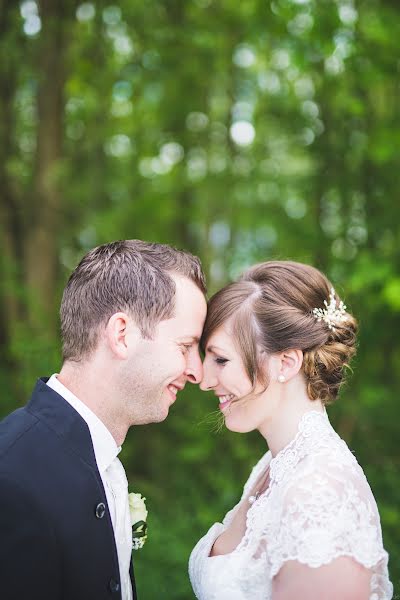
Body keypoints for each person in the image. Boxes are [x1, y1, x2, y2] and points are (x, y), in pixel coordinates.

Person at [0, 239, 207, 600]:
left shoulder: (103, 460)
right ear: (121, 335)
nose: (197, 372)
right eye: (185, 346)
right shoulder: (11, 477)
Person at [189, 260, 393, 600]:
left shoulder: (320, 493)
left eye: (221, 360)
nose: (205, 381)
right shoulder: (273, 467)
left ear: (286, 362)